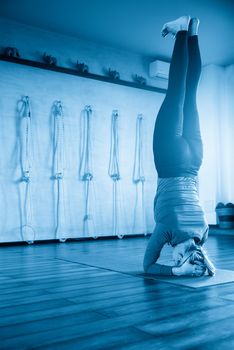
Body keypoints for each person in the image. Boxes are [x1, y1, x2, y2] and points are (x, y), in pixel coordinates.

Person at [143, 16, 215, 277]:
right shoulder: (165, 230)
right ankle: (181, 30)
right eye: (176, 260)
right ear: (182, 256)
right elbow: (147, 266)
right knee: (176, 91)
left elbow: (209, 268)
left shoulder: (204, 232)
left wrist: (196, 264)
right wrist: (177, 273)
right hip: (170, 160)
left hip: (194, 160)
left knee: (190, 93)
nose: (172, 259)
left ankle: (193, 31)